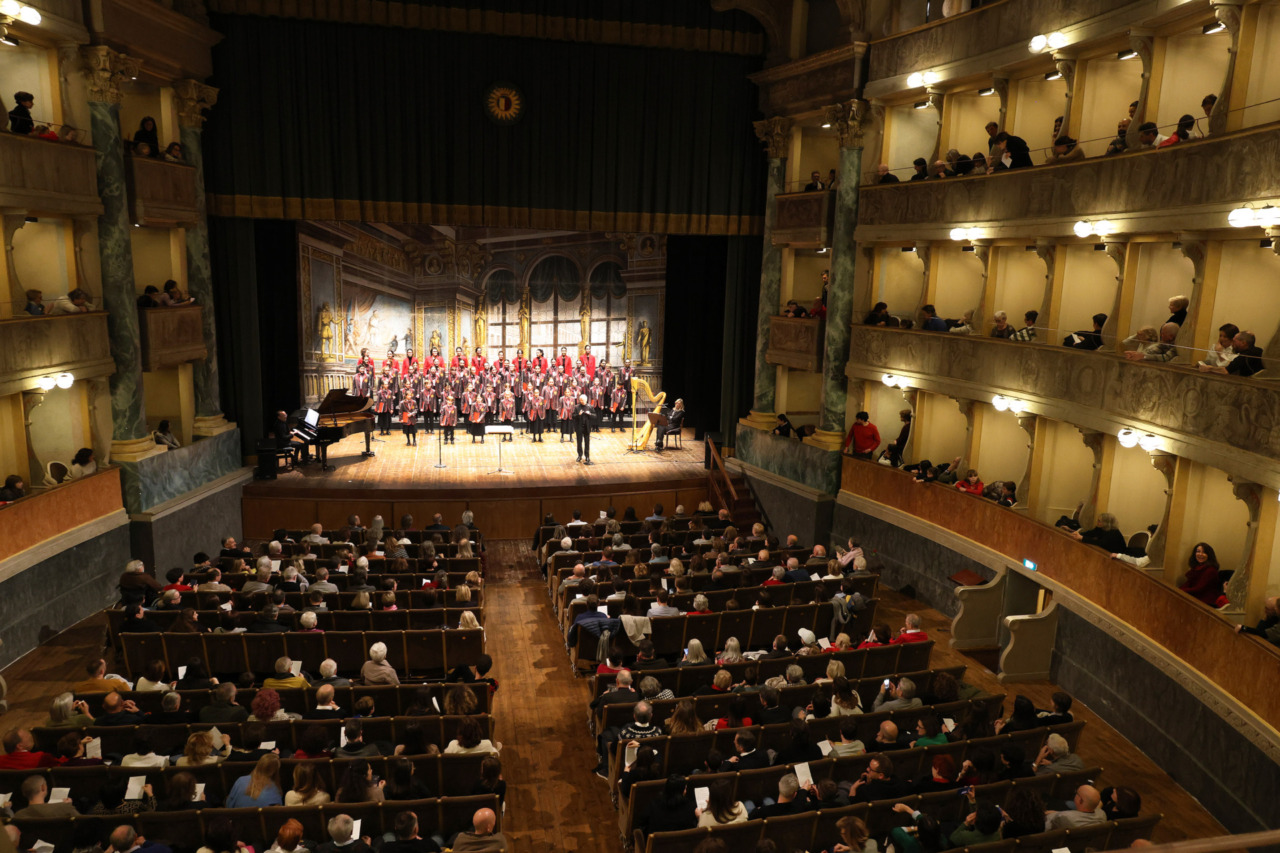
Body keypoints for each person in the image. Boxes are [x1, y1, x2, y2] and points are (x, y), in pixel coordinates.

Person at [1179, 542, 1222, 607]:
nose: (1200, 554)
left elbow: (1198, 589)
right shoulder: (1197, 567)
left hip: (1205, 601)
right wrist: (1177, 590)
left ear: (1209, 555)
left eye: (1204, 552)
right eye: (1198, 551)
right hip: (1195, 597)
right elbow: (1189, 583)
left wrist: (1181, 591)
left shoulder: (1211, 570)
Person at [573, 393, 593, 464]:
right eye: (580, 400)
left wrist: (590, 414)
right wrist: (579, 415)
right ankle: (579, 455)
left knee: (587, 442)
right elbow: (573, 416)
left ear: (586, 400)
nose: (582, 401)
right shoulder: (577, 407)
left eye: (583, 400)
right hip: (579, 427)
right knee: (579, 442)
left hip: (587, 427)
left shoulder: (590, 407)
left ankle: (587, 456)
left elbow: (595, 416)